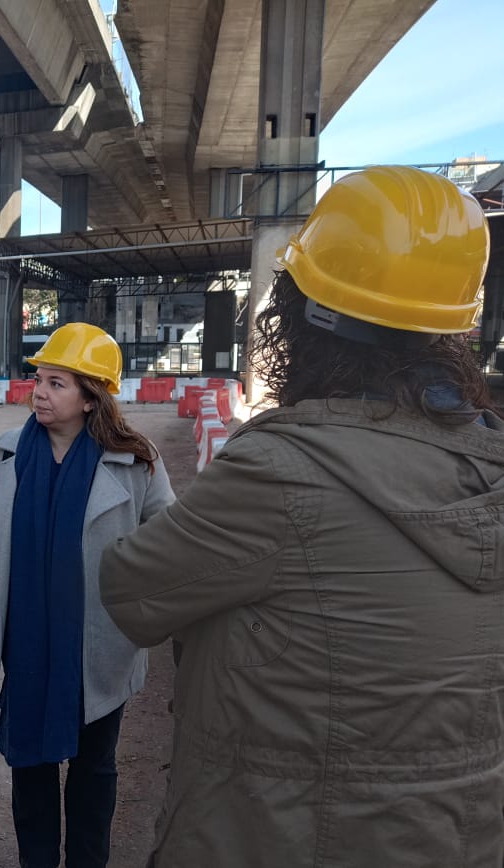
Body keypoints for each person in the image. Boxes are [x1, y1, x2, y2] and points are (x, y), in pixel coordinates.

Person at [98, 165, 504, 867]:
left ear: (305, 313)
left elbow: (133, 590)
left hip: (286, 833)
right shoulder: (491, 461)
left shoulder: (280, 472)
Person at [0, 322, 174, 868]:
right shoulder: (9, 453)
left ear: (91, 396)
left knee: (95, 767)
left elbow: (167, 536)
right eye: (40, 380)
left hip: (100, 644)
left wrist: (136, 600)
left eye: (56, 383)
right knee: (29, 765)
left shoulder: (136, 460)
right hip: (23, 642)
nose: (40, 393)